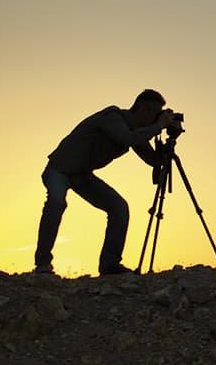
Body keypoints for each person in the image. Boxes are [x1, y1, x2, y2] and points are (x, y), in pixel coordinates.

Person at [34, 89, 178, 275]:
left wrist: (169, 144)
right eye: (156, 113)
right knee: (56, 202)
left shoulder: (135, 132)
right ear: (145, 109)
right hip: (59, 169)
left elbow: (152, 159)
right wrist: (158, 126)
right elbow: (127, 138)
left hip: (82, 175)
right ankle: (43, 264)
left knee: (118, 207)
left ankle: (110, 265)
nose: (157, 118)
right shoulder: (113, 117)